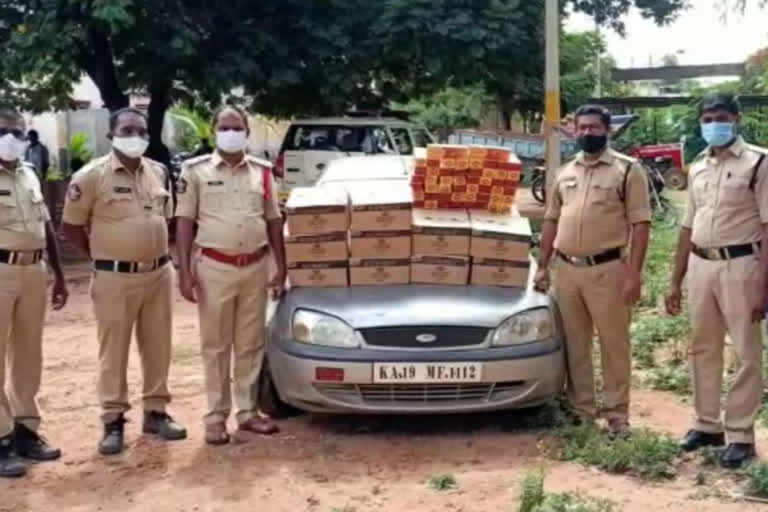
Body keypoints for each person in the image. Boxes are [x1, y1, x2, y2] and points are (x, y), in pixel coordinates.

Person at [61, 107, 186, 456]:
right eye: (128, 130)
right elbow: (70, 227)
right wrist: (102, 253)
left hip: (159, 274)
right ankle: (113, 421)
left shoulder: (159, 172)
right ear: (111, 135)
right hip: (114, 277)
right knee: (113, 352)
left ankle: (156, 411)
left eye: (142, 131)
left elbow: (168, 218)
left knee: (159, 346)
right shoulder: (90, 177)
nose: (136, 137)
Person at [534, 104, 651, 439]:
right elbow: (551, 220)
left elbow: (640, 224)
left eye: (593, 127)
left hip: (608, 270)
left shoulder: (628, 171)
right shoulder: (565, 172)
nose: (587, 133)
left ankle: (617, 416)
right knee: (575, 344)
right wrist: (543, 265)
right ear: (574, 130)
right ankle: (582, 410)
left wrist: (634, 274)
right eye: (581, 127)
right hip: (567, 271)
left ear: (607, 130)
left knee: (614, 344)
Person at [665, 94, 768, 469]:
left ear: (737, 119)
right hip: (701, 265)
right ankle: (707, 425)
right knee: (702, 347)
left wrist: (763, 284)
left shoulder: (759, 163)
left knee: (746, 352)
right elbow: (687, 226)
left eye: (721, 117)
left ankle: (740, 433)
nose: (713, 124)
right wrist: (675, 279)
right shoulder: (698, 167)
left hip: (742, 265)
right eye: (707, 118)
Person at [175, 105, 287, 445]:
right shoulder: (195, 171)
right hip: (214, 267)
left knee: (250, 343)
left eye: (237, 127)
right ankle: (215, 416)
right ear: (214, 131)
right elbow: (183, 221)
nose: (231, 133)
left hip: (255, 266)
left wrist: (281, 268)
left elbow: (274, 220)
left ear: (247, 133)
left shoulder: (263, 172)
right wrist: (184, 270)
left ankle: (248, 412)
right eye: (224, 127)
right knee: (216, 345)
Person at [0, 109, 68, 478]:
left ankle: (26, 429)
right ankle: (1, 440)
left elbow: (46, 227)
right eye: (3, 131)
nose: (11, 137)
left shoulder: (28, 173)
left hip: (34, 270)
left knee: (29, 354)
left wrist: (58, 274)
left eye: (17, 131)